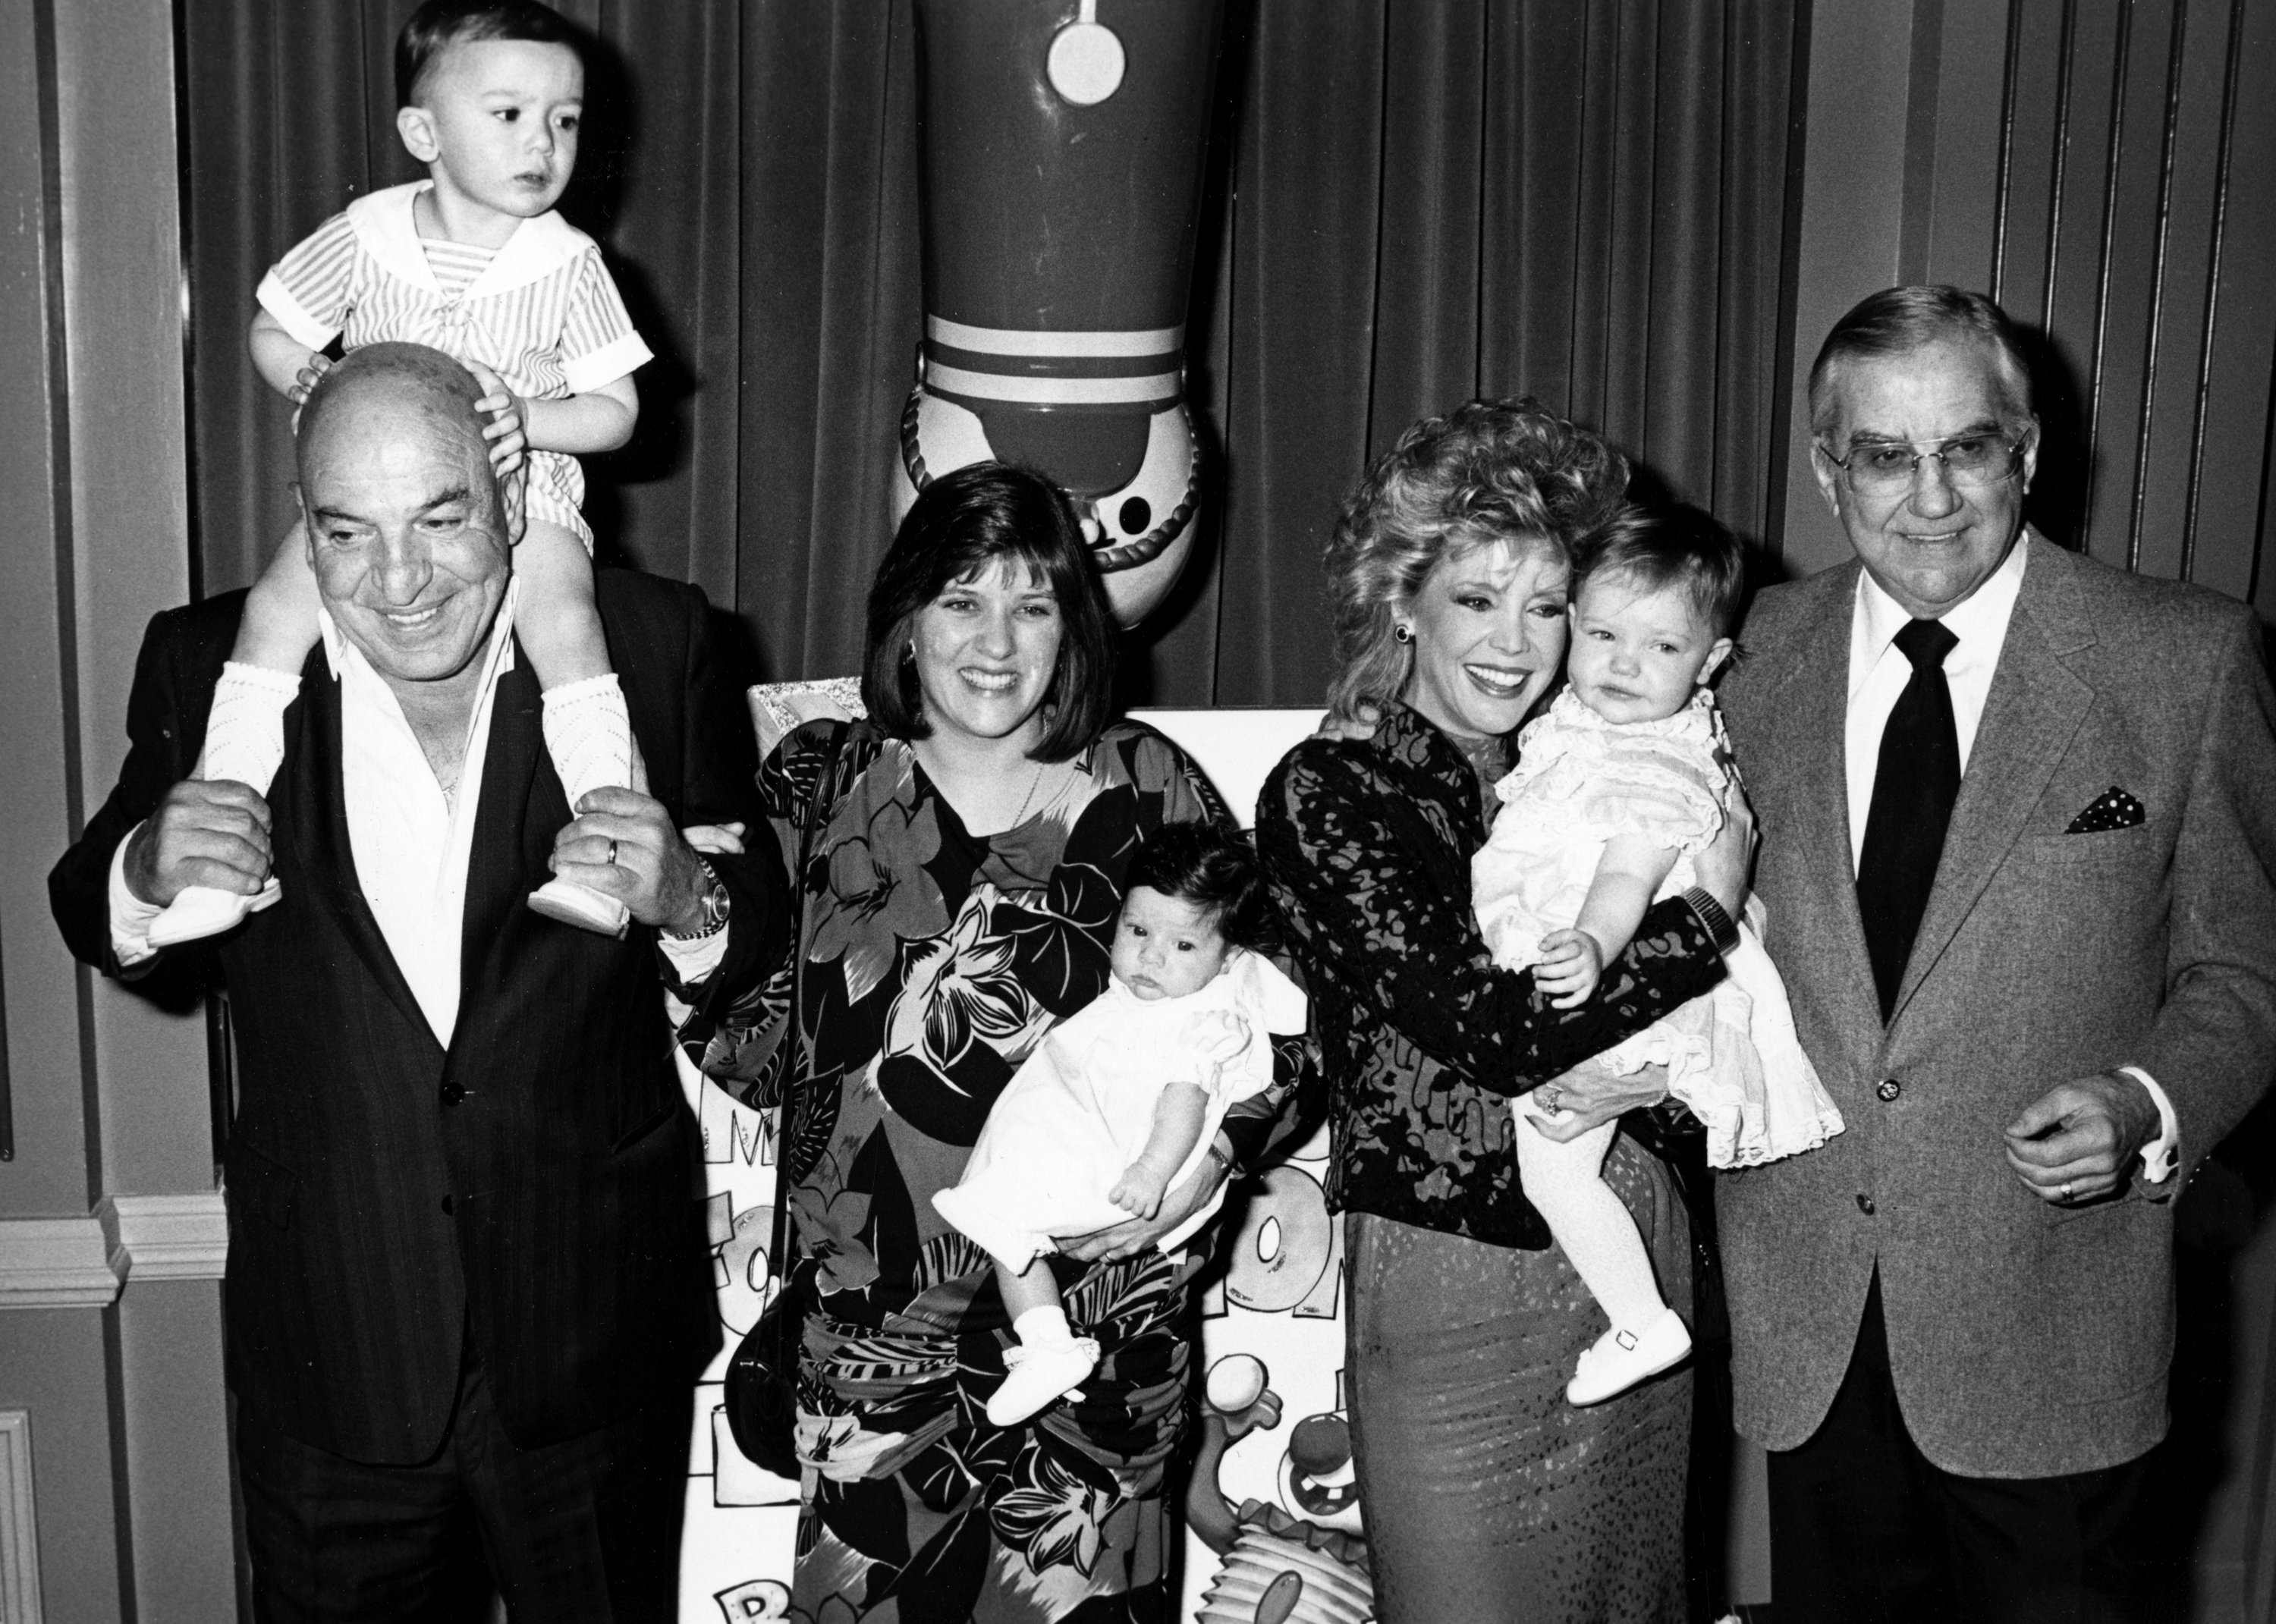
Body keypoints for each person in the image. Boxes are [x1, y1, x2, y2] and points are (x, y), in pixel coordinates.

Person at [46, 344, 784, 1619]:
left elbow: (751, 928)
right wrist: (148, 868)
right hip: (336, 1346)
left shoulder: (655, 646)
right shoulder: (207, 664)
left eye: (441, 520)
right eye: (346, 532)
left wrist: (692, 901)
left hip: (589, 1343)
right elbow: (87, 899)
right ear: (302, 524)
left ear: (512, 495)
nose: (396, 582)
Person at [1716, 285, 2276, 1619]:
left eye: (1967, 448)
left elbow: (2247, 977)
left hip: (2054, 1332)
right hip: (1816, 1323)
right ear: (1825, 467)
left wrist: (2149, 1101)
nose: (1929, 498)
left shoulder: (2181, 660)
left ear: (2028, 451)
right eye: (1883, 455)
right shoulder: (1747, 660)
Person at [705, 461, 1318, 1622]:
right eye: (961, 600)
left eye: (1032, 605)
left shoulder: (1148, 787)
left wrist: (1213, 1152)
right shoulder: (823, 781)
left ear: (1072, 627)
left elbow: (1286, 1030)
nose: (996, 641)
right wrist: (691, 934)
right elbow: (755, 1061)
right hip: (874, 1346)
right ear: (907, 619)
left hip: (1101, 1337)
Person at [1255, 397, 1753, 1622]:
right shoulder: (1336, 791)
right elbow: (1494, 1035)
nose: (1515, 642)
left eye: (1547, 606)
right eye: (1479, 599)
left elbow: (1718, 1051)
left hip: (1636, 1256)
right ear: (1401, 597)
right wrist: (1704, 919)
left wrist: (1667, 1074)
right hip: (1453, 1281)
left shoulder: (1609, 765)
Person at [159, 0, 652, 947]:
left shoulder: (572, 264)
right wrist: (310, 376)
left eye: (566, 119)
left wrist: (527, 418)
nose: (543, 141)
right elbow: (273, 328)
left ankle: (608, 863)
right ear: (423, 132)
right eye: (508, 114)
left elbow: (619, 411)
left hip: (525, 493)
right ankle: (218, 858)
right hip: (380, 501)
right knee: (269, 616)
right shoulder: (368, 232)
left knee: (568, 629)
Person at [1473, 507, 1842, 1409]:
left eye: (1660, 646)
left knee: (1554, 1168)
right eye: (1600, 634)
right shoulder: (1592, 724)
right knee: (1550, 1158)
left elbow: (1627, 875)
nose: (1621, 664)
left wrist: (1594, 945)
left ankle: (1641, 1319)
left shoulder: (1655, 760)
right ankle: (1638, 1316)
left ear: (1710, 663)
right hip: (1603, 963)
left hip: (1631, 974)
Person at [933, 820, 1307, 1426]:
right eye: (1137, 930)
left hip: (1127, 1168)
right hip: (1092, 1151)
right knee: (1009, 1235)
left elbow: (1183, 1101)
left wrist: (1152, 1172)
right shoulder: (1146, 997)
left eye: (1183, 946)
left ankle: (1048, 1343)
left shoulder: (1199, 1018)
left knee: (1010, 1219)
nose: (1152, 955)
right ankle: (1048, 1344)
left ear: (1229, 956)